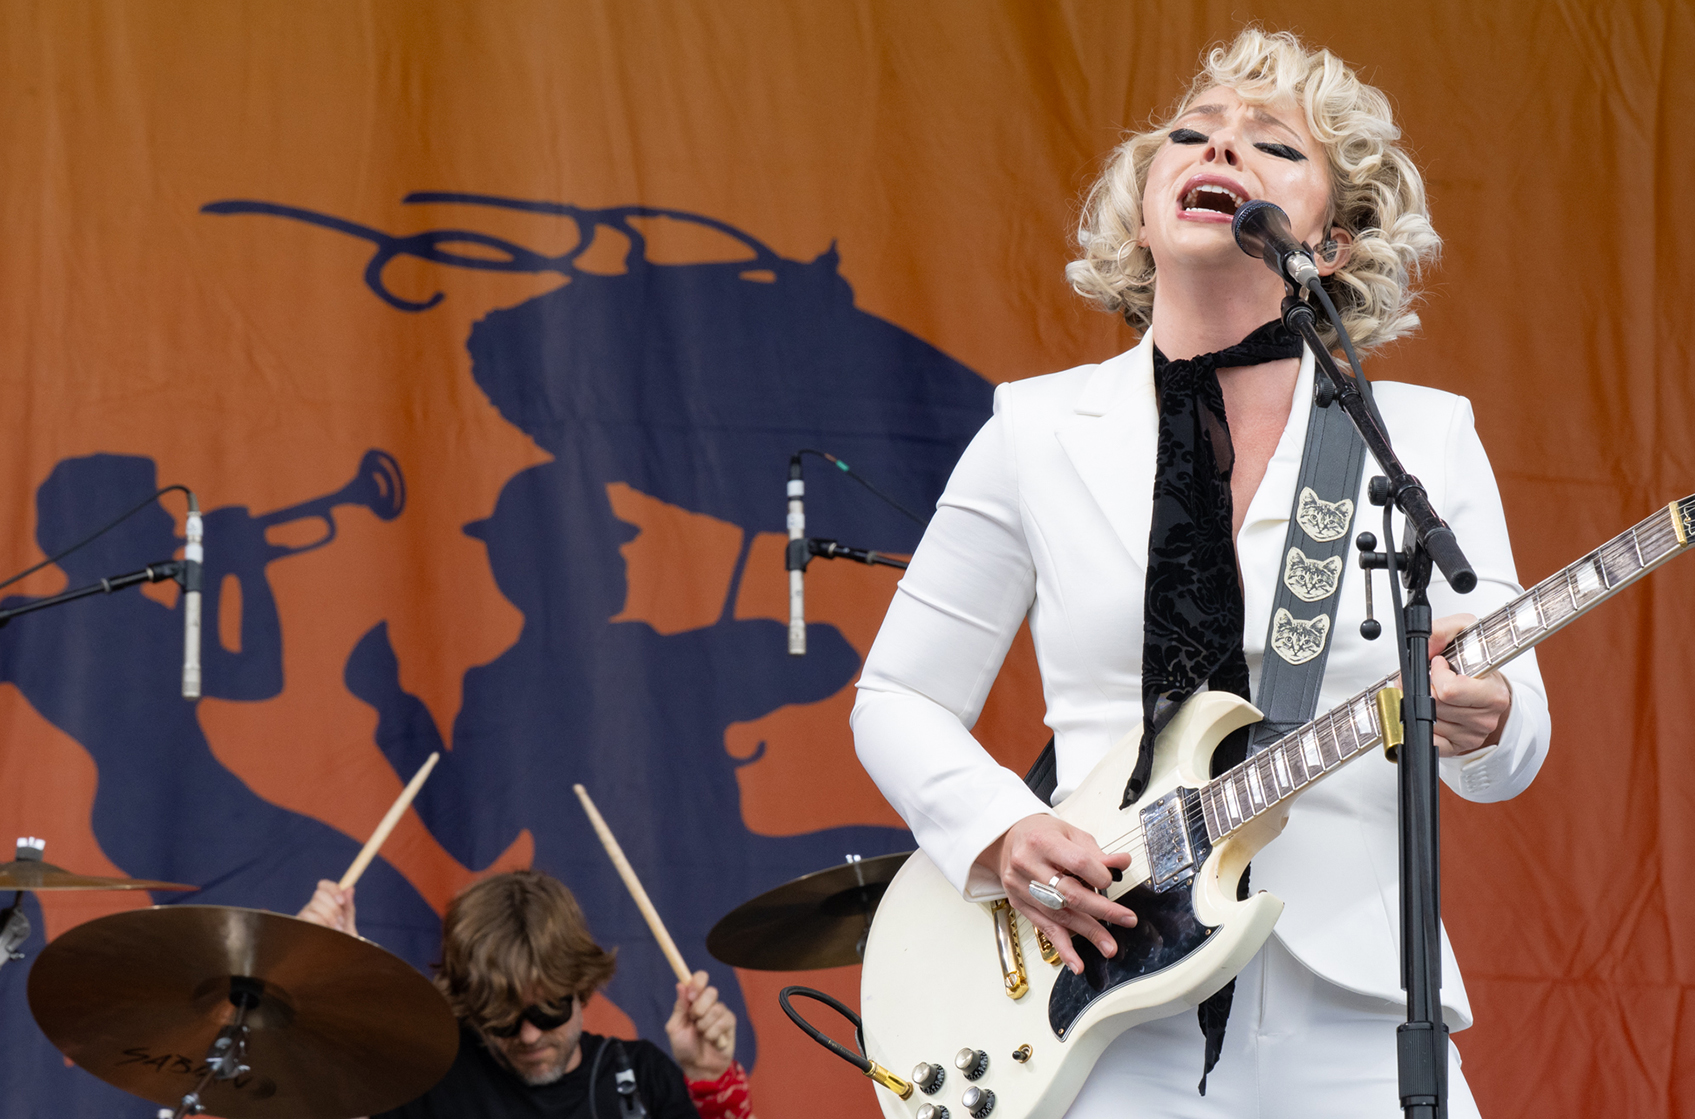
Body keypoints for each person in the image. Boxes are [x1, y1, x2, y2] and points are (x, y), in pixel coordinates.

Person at [852, 26, 1551, 1118]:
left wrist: (1491, 713)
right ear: (1144, 205)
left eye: (1272, 147)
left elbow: (1505, 753)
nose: (1217, 152)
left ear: (1332, 243)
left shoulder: (1418, 440)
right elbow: (898, 696)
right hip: (1096, 998)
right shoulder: (1033, 430)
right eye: (1192, 134)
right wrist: (999, 831)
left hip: (1356, 1009)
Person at [299, 870, 754, 1119]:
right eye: (502, 1018)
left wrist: (712, 1082)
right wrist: (332, 980)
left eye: (548, 1010)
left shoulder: (641, 1075)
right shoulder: (428, 1079)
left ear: (581, 988)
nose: (531, 1036)